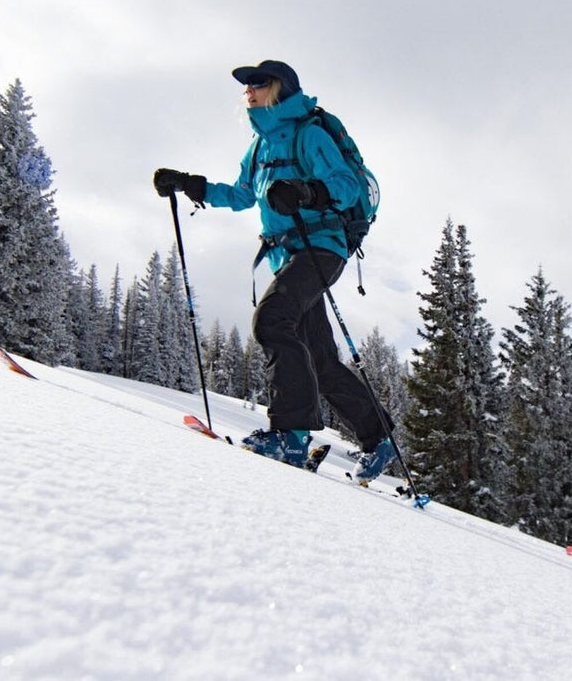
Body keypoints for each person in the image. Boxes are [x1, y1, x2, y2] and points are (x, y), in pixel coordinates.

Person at [152, 59, 395, 483]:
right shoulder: (260, 145)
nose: (249, 89)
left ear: (281, 88)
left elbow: (346, 185)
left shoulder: (309, 132)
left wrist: (305, 191)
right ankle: (378, 439)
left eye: (258, 82)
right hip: (289, 254)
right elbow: (244, 194)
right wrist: (190, 184)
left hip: (322, 246)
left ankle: (291, 435)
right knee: (318, 358)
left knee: (271, 320)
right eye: (246, 84)